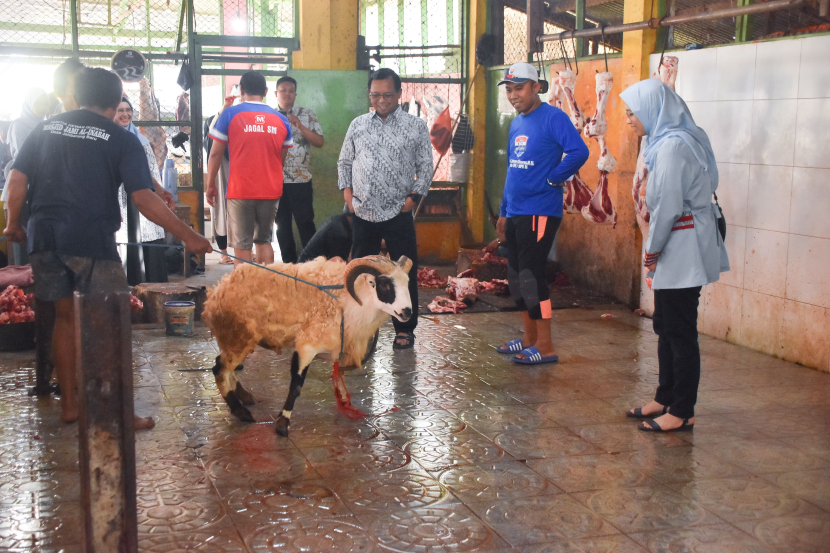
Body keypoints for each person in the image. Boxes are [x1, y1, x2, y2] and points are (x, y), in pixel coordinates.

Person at [3, 67, 212, 427]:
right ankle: (116, 409)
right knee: (110, 322)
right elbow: (143, 198)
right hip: (90, 242)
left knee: (64, 319)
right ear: (117, 101)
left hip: (44, 239)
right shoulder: (120, 138)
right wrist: (189, 236)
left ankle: (70, 405)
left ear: (76, 94)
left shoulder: (45, 127)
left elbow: (16, 179)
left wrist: (13, 224)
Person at [620, 79, 729, 433]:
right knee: (665, 324)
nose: (628, 119)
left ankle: (682, 410)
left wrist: (650, 252)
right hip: (679, 245)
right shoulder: (666, 141)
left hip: (683, 248)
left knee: (680, 330)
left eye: (631, 112)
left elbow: (666, 208)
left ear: (653, 110)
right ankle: (665, 397)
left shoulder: (672, 148)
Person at [494, 62, 590, 365]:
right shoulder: (517, 123)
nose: (513, 95)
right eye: (509, 89)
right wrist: (504, 210)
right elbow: (512, 168)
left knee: (532, 278)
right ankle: (529, 338)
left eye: (519, 88)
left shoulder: (553, 117)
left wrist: (554, 178)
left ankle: (546, 345)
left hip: (540, 212)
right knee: (516, 278)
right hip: (517, 211)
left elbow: (579, 151)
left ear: (536, 87)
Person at [338, 68, 433, 350]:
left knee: (403, 274)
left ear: (399, 94)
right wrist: (348, 196)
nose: (381, 100)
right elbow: (344, 162)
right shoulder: (358, 125)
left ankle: (405, 329)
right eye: (375, 95)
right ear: (369, 94)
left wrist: (413, 199)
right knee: (361, 274)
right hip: (363, 213)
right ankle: (359, 327)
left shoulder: (415, 126)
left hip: (398, 213)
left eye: (387, 95)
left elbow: (425, 167)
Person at [206, 71, 292, 267]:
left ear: (241, 90)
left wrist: (210, 185)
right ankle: (266, 289)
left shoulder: (230, 113)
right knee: (264, 241)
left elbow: (215, 154)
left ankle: (245, 293)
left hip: (240, 190)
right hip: (271, 189)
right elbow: (281, 159)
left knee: (242, 245)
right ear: (266, 91)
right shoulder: (281, 120)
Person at [115, 97, 173, 283]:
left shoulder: (140, 140)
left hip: (140, 197)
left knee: (144, 240)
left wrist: (161, 192)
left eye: (128, 110)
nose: (125, 114)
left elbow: (151, 172)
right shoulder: (109, 138)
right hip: (119, 201)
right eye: (120, 110)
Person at [274, 76, 324, 263]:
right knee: (282, 226)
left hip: (301, 180)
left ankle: (312, 264)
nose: (287, 94)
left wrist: (299, 125)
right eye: (283, 90)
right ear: (276, 93)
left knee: (305, 223)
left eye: (291, 90)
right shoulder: (269, 116)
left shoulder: (307, 114)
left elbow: (319, 142)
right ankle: (289, 265)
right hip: (276, 180)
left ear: (295, 93)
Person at [2, 89, 52, 265]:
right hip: (21, 186)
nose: (45, 106)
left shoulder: (48, 125)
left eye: (46, 102)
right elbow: (24, 157)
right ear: (30, 104)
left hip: (41, 188)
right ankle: (21, 289)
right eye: (40, 102)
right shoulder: (19, 124)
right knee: (22, 241)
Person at [204, 95, 236, 264]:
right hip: (220, 174)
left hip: (239, 170)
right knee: (221, 212)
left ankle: (248, 250)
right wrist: (225, 106)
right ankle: (223, 252)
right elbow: (212, 135)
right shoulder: (212, 122)